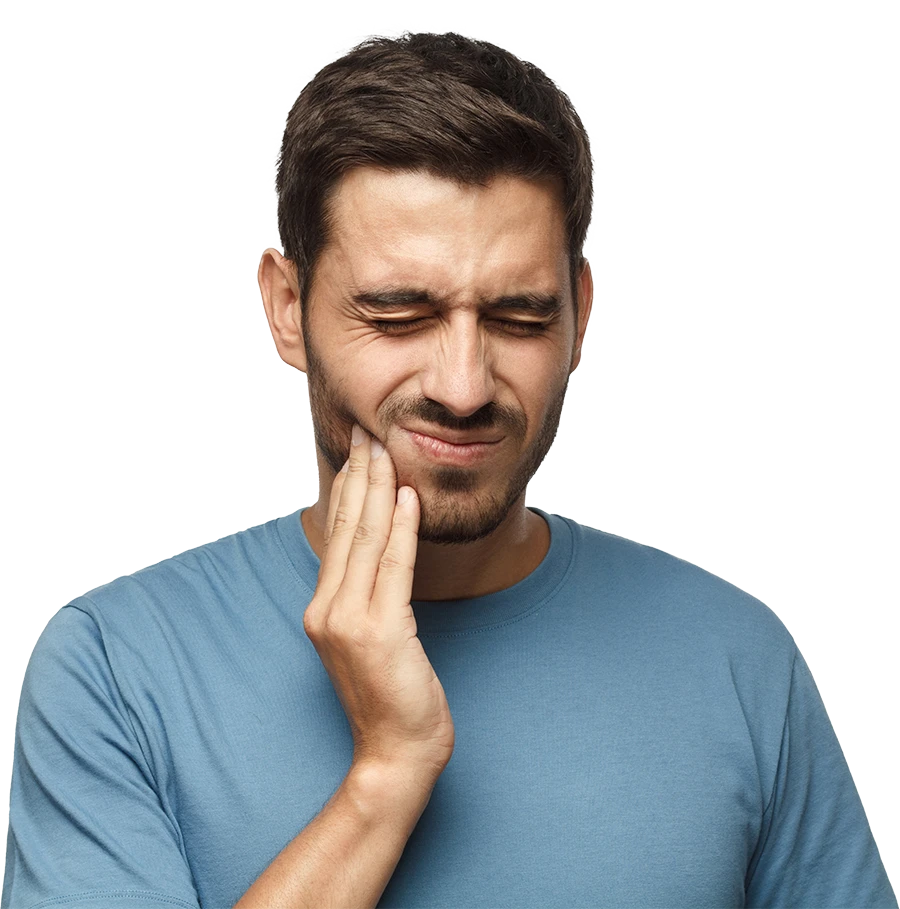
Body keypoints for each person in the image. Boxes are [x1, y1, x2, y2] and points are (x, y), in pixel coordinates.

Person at [1, 29, 895, 909]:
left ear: (582, 313)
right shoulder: (113, 668)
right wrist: (386, 773)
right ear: (285, 306)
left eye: (518, 316)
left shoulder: (740, 660)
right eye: (398, 315)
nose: (463, 387)